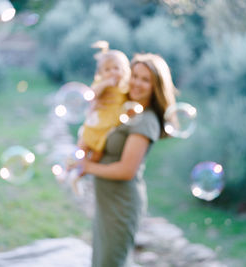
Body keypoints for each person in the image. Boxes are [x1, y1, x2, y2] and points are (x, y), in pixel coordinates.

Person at [74, 53, 178, 267]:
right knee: (102, 260)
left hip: (121, 205)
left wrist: (88, 166)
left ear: (155, 86)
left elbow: (126, 170)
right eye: (135, 75)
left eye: (145, 79)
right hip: (107, 201)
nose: (137, 83)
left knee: (111, 262)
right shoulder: (126, 109)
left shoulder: (146, 120)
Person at [71, 41, 131, 194]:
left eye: (116, 68)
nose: (112, 72)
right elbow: (92, 95)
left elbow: (129, 104)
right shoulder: (100, 83)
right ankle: (70, 165)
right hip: (95, 123)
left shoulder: (124, 87)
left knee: (97, 155)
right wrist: (105, 84)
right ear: (100, 73)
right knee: (82, 148)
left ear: (124, 70)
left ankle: (80, 175)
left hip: (108, 127)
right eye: (107, 69)